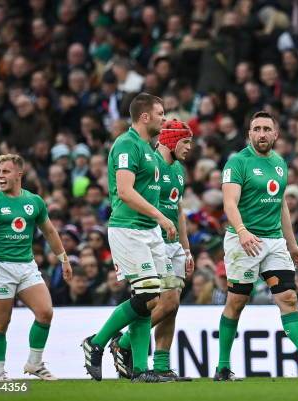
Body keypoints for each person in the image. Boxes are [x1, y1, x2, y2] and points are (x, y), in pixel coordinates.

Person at [215, 111, 298, 381]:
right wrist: (242, 232)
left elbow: (281, 205)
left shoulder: (279, 163)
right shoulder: (237, 163)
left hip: (274, 241)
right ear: (249, 133)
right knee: (237, 301)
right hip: (244, 241)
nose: (261, 134)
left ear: (276, 134)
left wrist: (293, 245)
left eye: (266, 129)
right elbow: (229, 202)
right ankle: (223, 366)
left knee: (288, 297)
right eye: (256, 129)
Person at [81, 92, 177, 383]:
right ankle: (96, 342)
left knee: (150, 298)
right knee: (147, 294)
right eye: (160, 113)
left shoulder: (150, 149)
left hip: (149, 231)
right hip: (128, 229)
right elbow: (124, 190)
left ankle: (139, 369)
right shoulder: (126, 144)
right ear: (145, 116)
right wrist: (161, 217)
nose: (164, 118)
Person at [110, 119, 195, 381]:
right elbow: (128, 194)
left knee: (172, 306)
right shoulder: (151, 163)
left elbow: (178, 208)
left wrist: (186, 247)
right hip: (148, 239)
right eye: (185, 141)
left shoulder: (179, 170)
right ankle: (123, 343)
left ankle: (160, 365)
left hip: (172, 244)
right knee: (161, 301)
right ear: (171, 141)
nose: (190, 147)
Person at [0, 153, 73, 381]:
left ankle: (34, 363)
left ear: (19, 174)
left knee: (45, 312)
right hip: (0, 267)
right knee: (2, 322)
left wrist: (64, 259)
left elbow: (49, 231)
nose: (0, 176)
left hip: (27, 266)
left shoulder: (34, 202)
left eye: (6, 171)